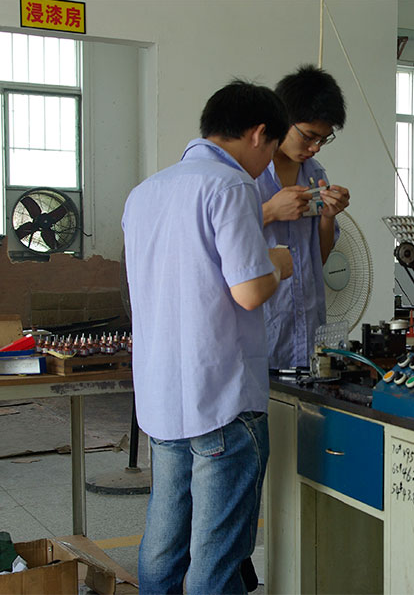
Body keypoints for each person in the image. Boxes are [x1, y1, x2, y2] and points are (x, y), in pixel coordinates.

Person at [122, 80, 293, 594]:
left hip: (161, 400)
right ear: (259, 134)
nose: (267, 164)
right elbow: (249, 291)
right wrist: (279, 265)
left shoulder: (145, 193)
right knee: (215, 561)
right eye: (273, 149)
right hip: (221, 399)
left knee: (163, 548)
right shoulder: (232, 185)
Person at [256, 64, 350, 370]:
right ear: (283, 119)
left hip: (307, 330)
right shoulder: (249, 175)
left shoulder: (315, 174)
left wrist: (328, 217)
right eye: (309, 136)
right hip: (262, 329)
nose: (315, 148)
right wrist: (270, 211)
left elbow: (317, 259)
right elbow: (219, 239)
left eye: (323, 139)